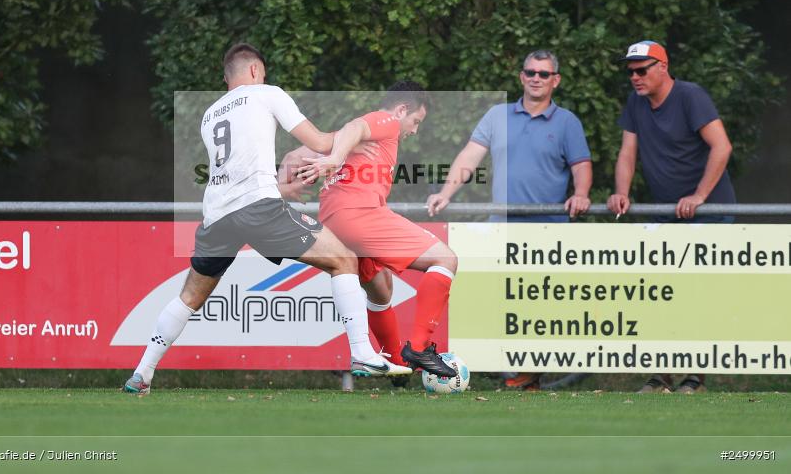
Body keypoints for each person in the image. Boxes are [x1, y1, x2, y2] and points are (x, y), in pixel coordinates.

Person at [124, 43, 410, 395]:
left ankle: (142, 373)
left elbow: (237, 163)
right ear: (256, 71)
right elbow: (320, 142)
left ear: (227, 76)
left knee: (189, 296)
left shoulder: (210, 114)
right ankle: (363, 354)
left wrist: (278, 185)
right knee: (345, 260)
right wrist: (351, 141)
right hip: (257, 208)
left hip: (216, 215)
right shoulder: (267, 93)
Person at [425, 49, 593, 389]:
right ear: (521, 76)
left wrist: (582, 193)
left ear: (555, 80)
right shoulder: (497, 114)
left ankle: (530, 373)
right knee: (487, 297)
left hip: (548, 231)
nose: (536, 78)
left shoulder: (567, 122)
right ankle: (496, 365)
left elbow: (582, 167)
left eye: (543, 74)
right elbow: (469, 157)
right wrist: (446, 192)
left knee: (540, 306)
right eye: (530, 72)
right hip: (500, 227)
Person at [292, 81, 460, 378]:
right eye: (416, 121)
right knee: (445, 260)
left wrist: (299, 168)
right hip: (358, 213)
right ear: (401, 109)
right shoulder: (387, 121)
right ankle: (420, 349)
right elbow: (358, 125)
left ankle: (397, 364)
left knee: (380, 289)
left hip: (335, 218)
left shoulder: (353, 136)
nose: (414, 130)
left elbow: (312, 146)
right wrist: (332, 160)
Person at [607, 40, 735, 394]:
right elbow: (627, 154)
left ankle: (694, 378)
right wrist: (621, 191)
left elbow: (722, 146)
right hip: (668, 215)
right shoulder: (636, 102)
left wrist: (699, 197)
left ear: (663, 67)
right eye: (630, 71)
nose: (634, 77)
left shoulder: (691, 96)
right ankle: (660, 377)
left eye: (642, 69)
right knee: (658, 295)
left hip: (710, 214)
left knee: (698, 297)